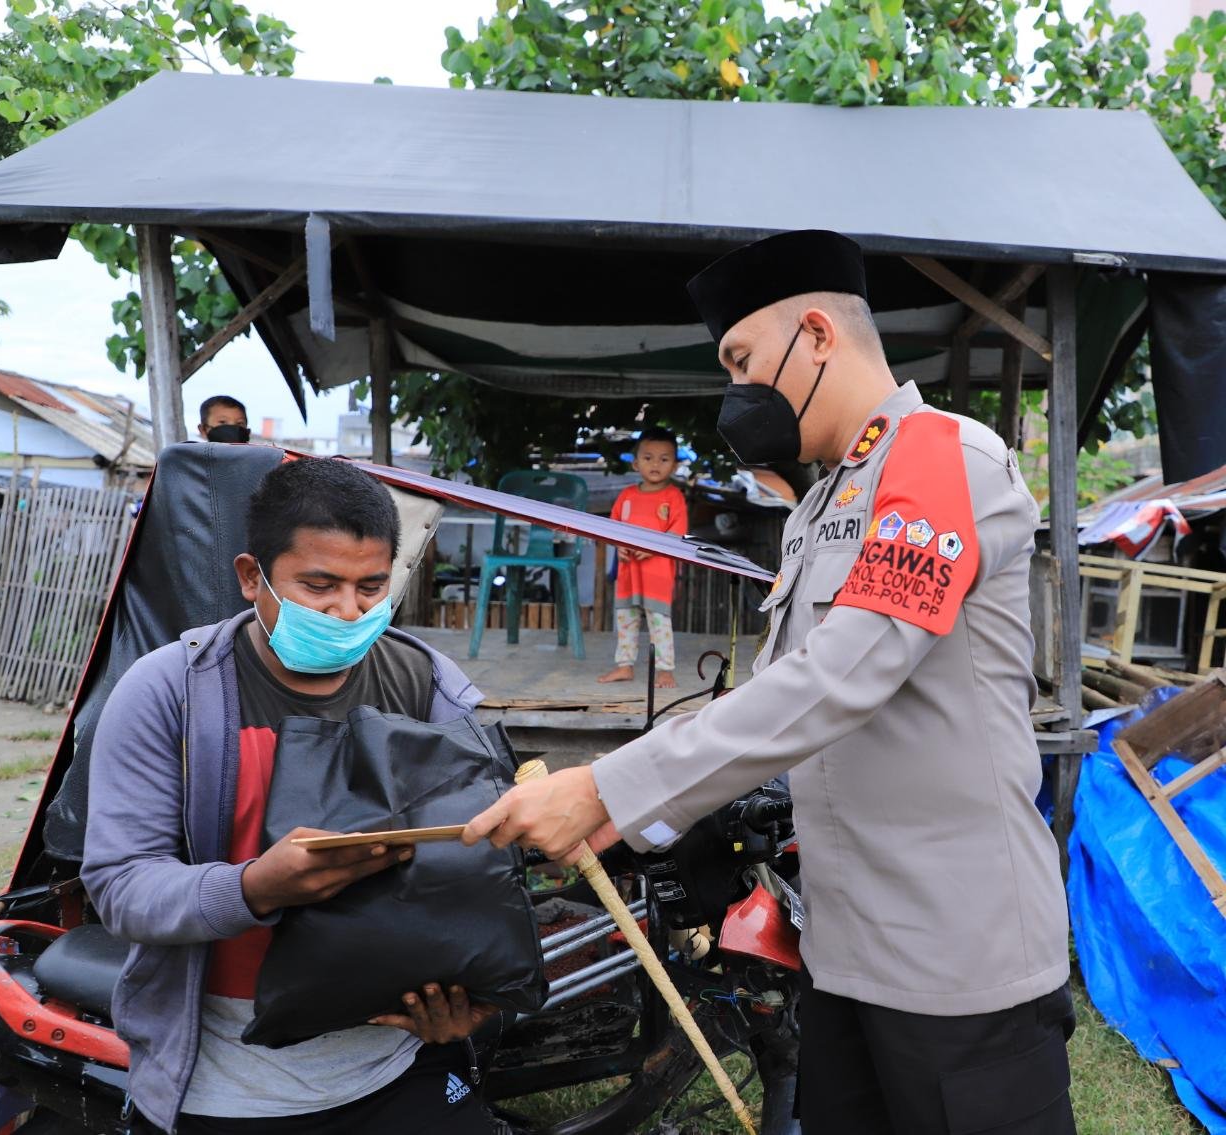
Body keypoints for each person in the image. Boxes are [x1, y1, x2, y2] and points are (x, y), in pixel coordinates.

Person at [464, 230, 1075, 1134]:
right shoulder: (818, 507)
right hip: (843, 947)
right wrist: (646, 818)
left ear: (819, 335)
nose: (737, 390)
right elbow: (787, 713)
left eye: (743, 359)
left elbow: (844, 677)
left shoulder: (940, 457)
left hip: (957, 957)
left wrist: (610, 782)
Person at [82, 458, 494, 1135]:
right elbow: (121, 884)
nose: (348, 610)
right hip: (229, 1082)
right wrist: (254, 888)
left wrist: (463, 996)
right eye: (320, 584)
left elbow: (472, 864)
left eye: (371, 586)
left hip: (392, 1058)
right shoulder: (167, 693)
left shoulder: (427, 683)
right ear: (253, 576)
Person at [598, 426, 689, 689]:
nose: (656, 464)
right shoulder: (626, 495)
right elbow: (612, 528)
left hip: (657, 575)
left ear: (674, 465)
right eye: (648, 458)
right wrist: (619, 546)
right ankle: (624, 666)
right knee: (626, 621)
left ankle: (665, 670)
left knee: (659, 623)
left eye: (664, 459)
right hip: (628, 573)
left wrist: (652, 547)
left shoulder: (674, 497)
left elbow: (677, 533)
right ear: (636, 463)